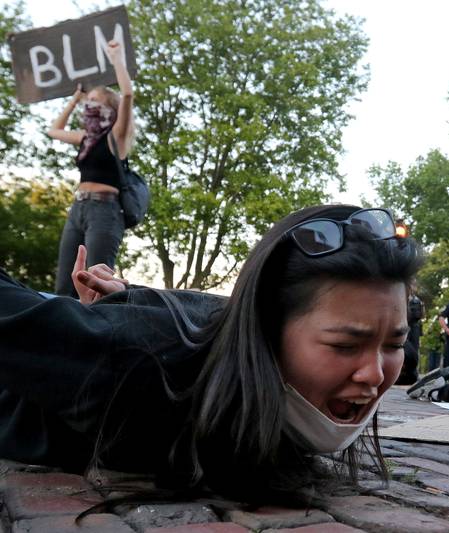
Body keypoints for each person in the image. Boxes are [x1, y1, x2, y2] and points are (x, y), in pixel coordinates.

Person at [0, 205, 422, 502]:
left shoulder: (249, 359)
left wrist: (137, 296)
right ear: (265, 331)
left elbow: (216, 309)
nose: (373, 374)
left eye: (393, 344)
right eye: (345, 346)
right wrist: (127, 317)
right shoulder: (137, 361)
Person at [47, 40, 135, 297]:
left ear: (110, 108)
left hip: (104, 211)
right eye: (89, 101)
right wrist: (75, 98)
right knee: (64, 285)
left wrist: (116, 57)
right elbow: (54, 131)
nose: (90, 106)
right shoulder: (86, 139)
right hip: (78, 208)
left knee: (96, 283)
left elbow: (127, 95)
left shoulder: (116, 136)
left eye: (95, 101)